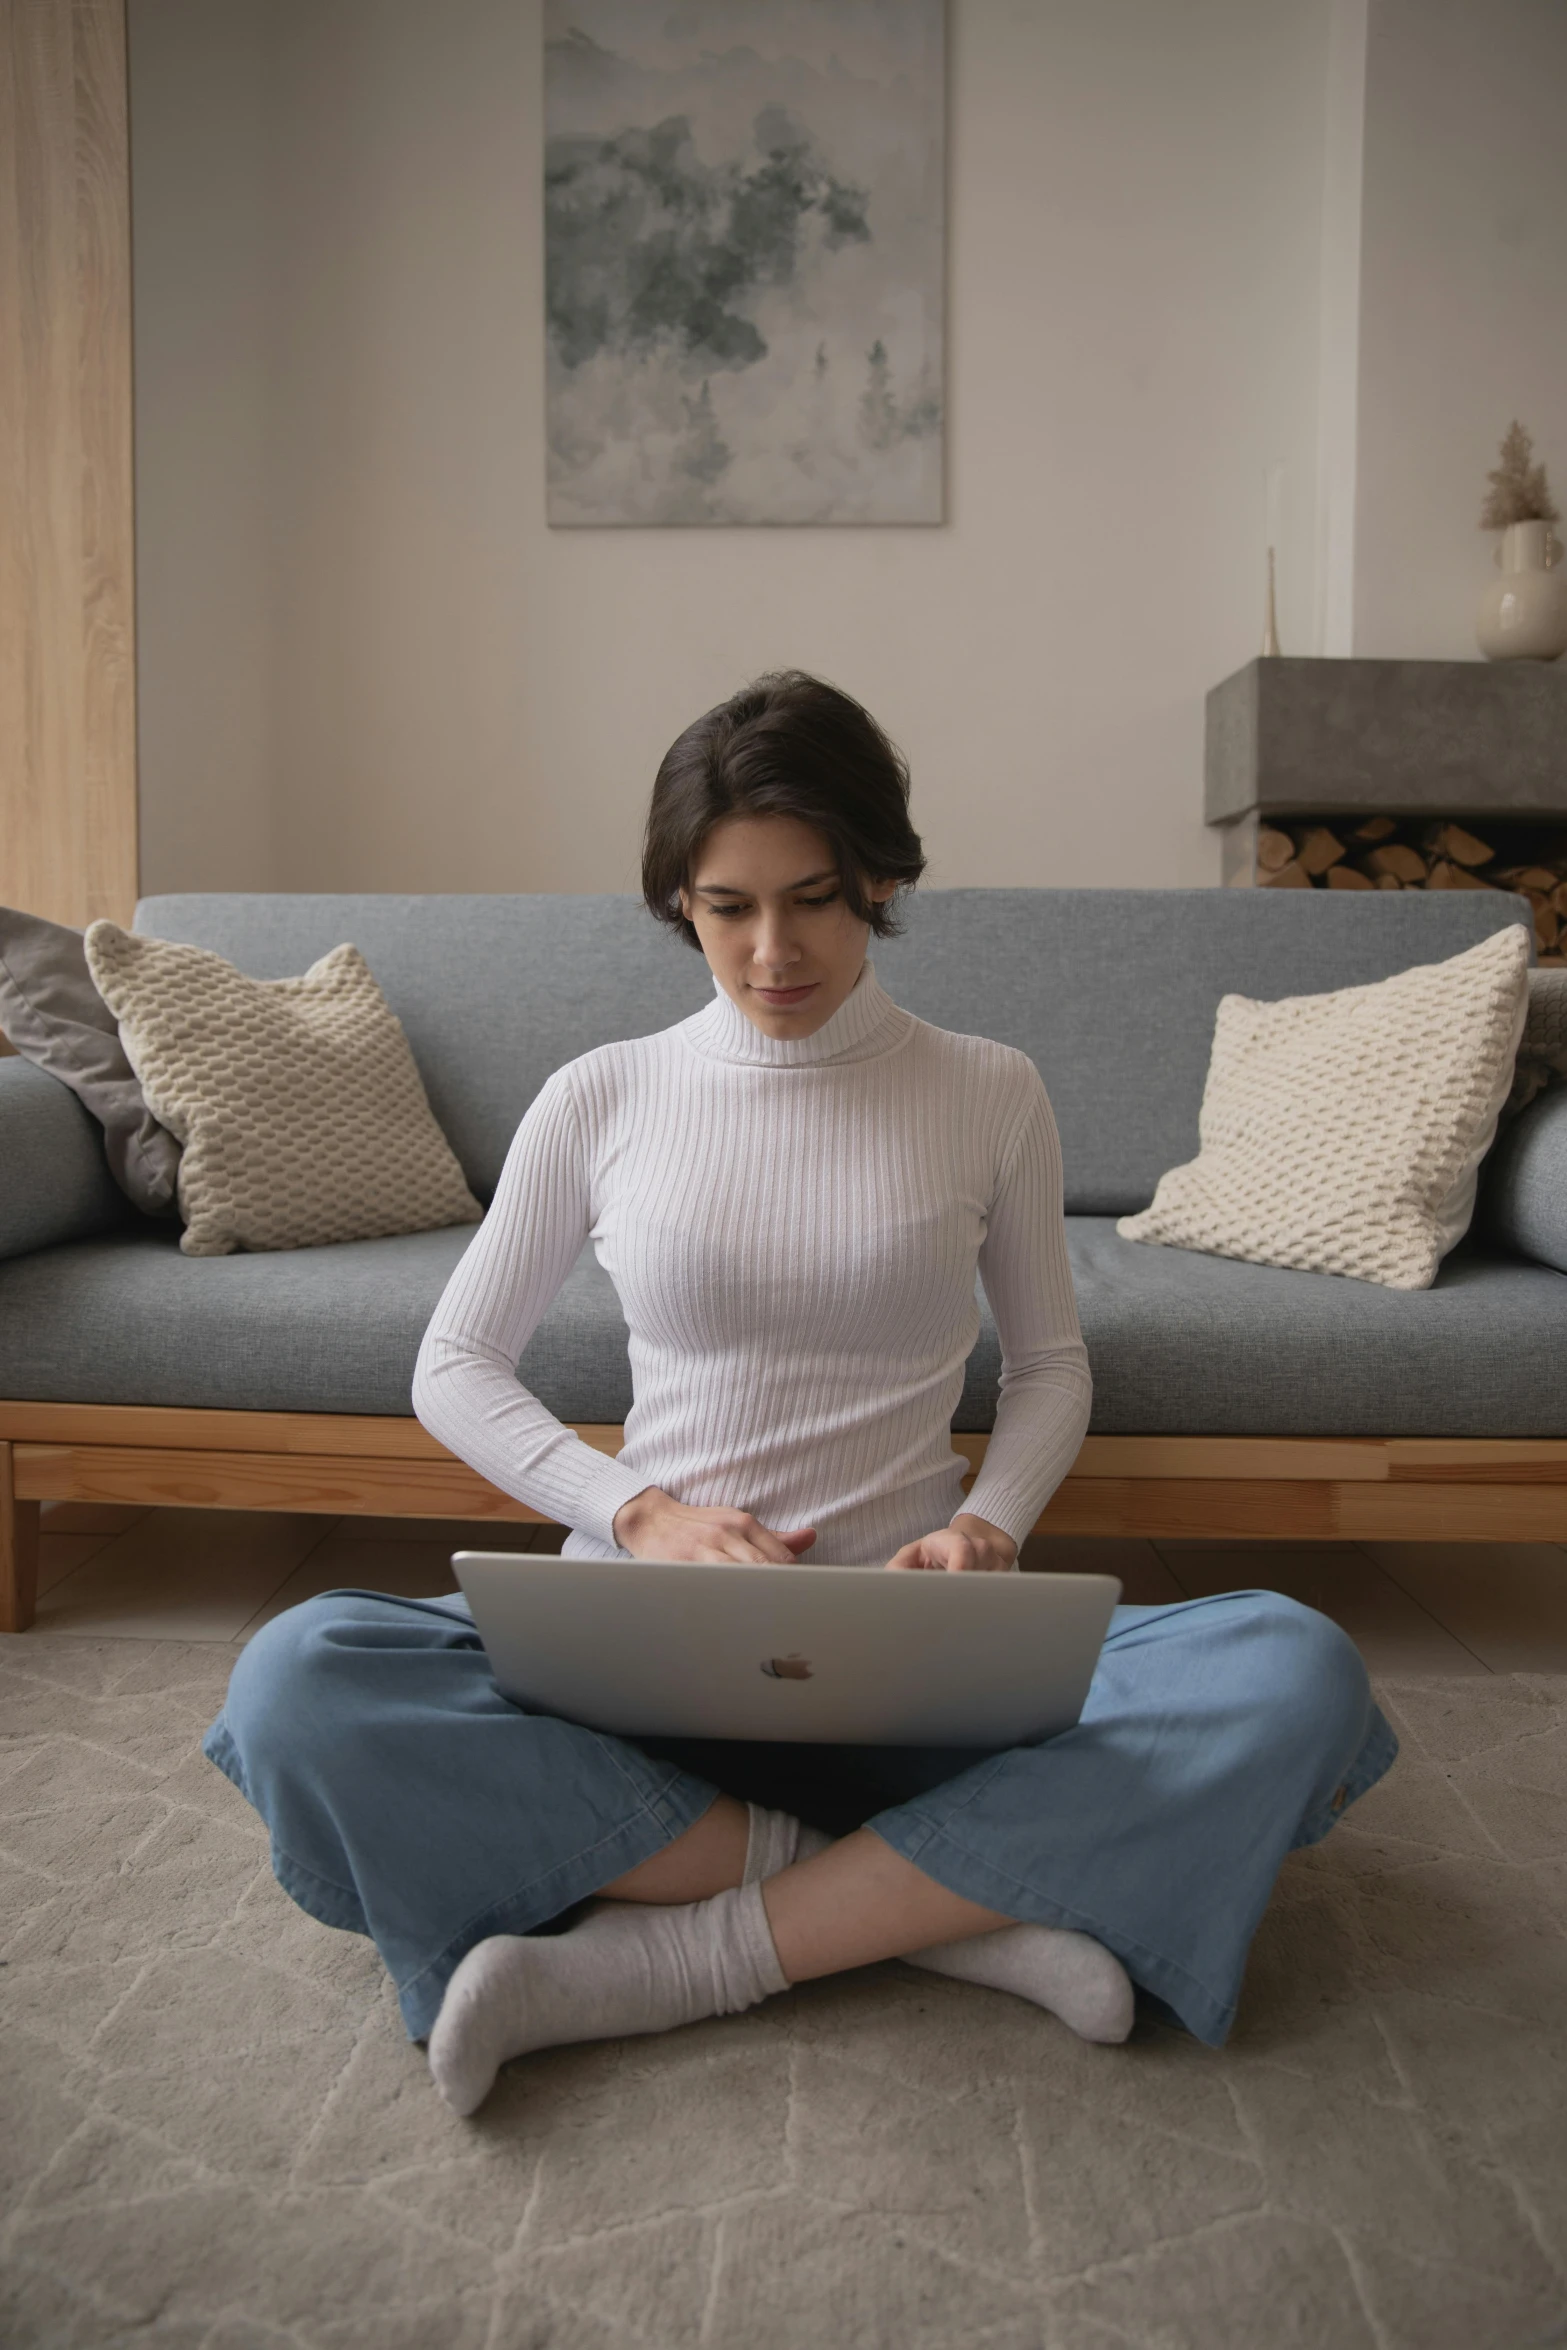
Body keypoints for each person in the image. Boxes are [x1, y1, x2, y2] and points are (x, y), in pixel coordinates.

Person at [205, 672, 1396, 2117]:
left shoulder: (986, 1088)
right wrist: (633, 1509)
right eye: (726, 906)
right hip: (636, 1659)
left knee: (1291, 1670)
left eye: (815, 897)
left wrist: (993, 1527)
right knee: (294, 1680)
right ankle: (949, 1908)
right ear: (678, 905)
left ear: (881, 877)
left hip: (913, 1654)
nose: (771, 950)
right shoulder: (602, 1091)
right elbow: (451, 1366)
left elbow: (1045, 1368)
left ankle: (663, 1953)